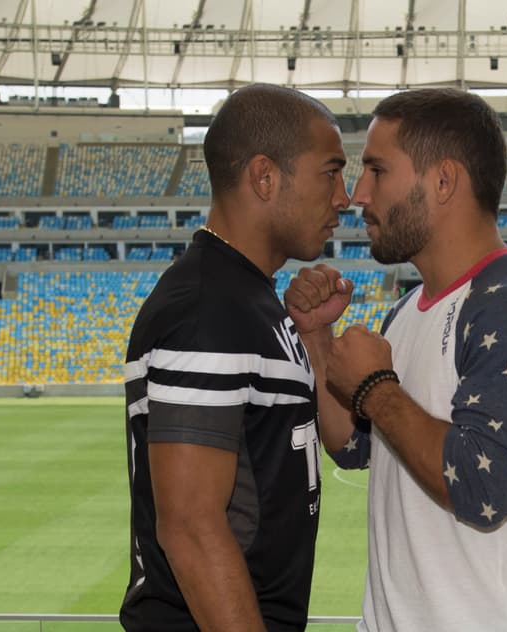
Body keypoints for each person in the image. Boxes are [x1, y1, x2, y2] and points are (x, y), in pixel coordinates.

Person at [285, 88, 507, 631]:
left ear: (443, 181)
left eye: (377, 170)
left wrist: (376, 386)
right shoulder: (408, 310)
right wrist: (317, 337)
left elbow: (483, 490)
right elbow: (353, 447)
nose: (357, 194)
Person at [120, 83, 350, 632]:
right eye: (330, 171)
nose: (344, 196)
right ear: (265, 176)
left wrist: (317, 339)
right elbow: (192, 528)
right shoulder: (209, 312)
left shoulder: (249, 300)